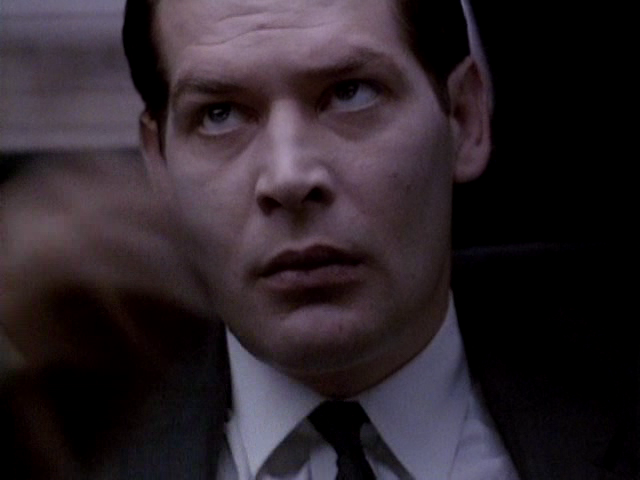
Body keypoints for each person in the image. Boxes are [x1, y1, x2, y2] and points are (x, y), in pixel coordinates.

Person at [0, 0, 636, 479]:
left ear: (465, 118)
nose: (289, 176)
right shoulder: (73, 446)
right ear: (158, 162)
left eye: (349, 93)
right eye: (220, 113)